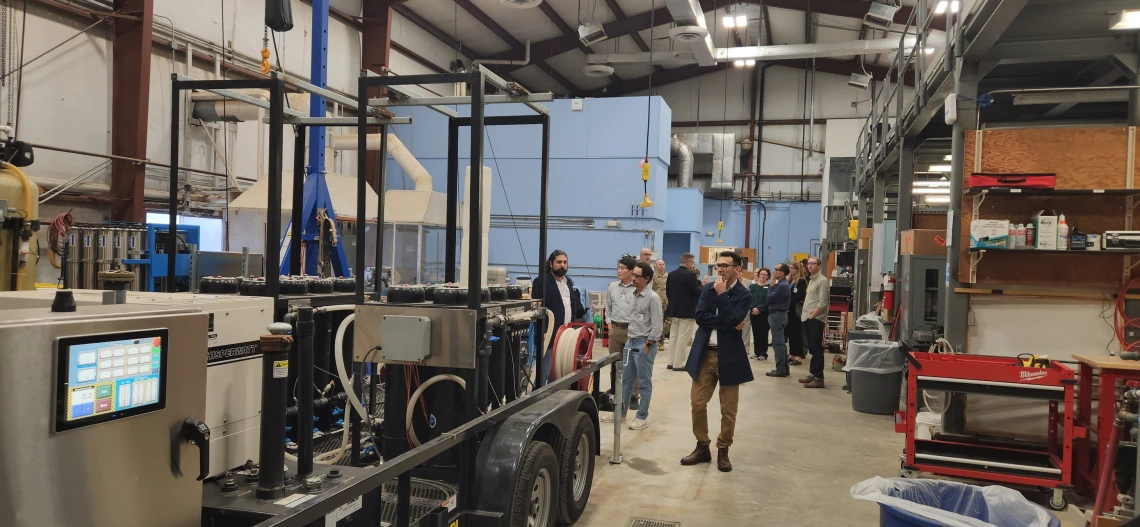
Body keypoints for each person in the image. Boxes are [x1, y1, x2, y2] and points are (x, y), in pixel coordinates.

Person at [680, 251, 754, 473]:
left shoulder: (743, 294)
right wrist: (729, 322)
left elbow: (735, 318)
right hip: (705, 354)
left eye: (725, 265)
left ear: (737, 268)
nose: (720, 269)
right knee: (697, 403)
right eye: (718, 265)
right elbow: (701, 316)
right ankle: (702, 446)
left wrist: (722, 298)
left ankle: (723, 449)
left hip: (729, 356)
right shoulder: (706, 289)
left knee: (728, 409)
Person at [601, 262, 663, 430]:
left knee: (643, 382)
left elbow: (657, 326)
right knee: (626, 381)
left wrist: (648, 344)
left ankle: (641, 417)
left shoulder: (653, 298)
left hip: (644, 343)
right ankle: (620, 414)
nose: (633, 278)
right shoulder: (634, 295)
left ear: (647, 279)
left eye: (637, 276)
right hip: (631, 341)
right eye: (633, 275)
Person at [536, 250, 585, 384]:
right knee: (544, 372)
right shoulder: (542, 281)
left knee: (557, 372)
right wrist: (544, 330)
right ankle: (538, 401)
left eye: (565, 262)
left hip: (565, 334)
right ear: (551, 263)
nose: (562, 265)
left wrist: (572, 327)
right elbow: (537, 309)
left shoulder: (567, 281)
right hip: (549, 335)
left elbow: (572, 305)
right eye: (559, 262)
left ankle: (553, 400)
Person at [606, 256, 639, 400]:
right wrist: (609, 327)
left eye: (623, 268)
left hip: (632, 331)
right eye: (619, 267)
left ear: (631, 271)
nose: (619, 270)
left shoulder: (638, 288)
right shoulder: (612, 287)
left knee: (633, 365)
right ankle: (616, 393)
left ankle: (632, 396)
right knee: (615, 364)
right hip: (615, 330)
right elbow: (608, 308)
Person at [665, 253, 702, 371]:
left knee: (674, 337)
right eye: (692, 263)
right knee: (683, 338)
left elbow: (668, 292)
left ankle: (670, 361)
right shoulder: (690, 275)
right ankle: (678, 363)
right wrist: (704, 286)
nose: (692, 265)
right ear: (689, 262)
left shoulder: (671, 274)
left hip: (674, 310)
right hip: (687, 311)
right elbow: (697, 292)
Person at [800, 256, 831, 389]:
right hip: (808, 318)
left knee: (817, 349)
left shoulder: (822, 281)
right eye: (808, 264)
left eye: (813, 264)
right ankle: (813, 374)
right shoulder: (812, 280)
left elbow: (823, 302)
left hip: (815, 319)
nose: (810, 266)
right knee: (812, 348)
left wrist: (812, 315)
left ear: (819, 266)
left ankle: (819, 378)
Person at [765, 264, 792, 378]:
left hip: (777, 315)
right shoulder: (783, 284)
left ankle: (780, 369)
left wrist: (771, 287)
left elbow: (769, 299)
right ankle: (784, 368)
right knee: (780, 342)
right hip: (779, 315)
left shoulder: (781, 285)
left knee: (778, 343)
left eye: (776, 270)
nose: (774, 271)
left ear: (783, 272)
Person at [786, 261, 808, 366]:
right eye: (790, 268)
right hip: (789, 310)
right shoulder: (790, 280)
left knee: (797, 333)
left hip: (795, 309)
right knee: (790, 332)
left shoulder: (801, 281)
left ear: (797, 269)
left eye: (793, 268)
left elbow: (799, 295)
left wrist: (788, 304)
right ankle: (792, 354)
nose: (791, 270)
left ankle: (798, 356)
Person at [748, 267, 771, 360]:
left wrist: (759, 309)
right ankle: (756, 352)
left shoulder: (770, 288)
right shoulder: (752, 287)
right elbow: (749, 299)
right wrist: (753, 308)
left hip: (764, 314)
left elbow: (768, 301)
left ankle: (763, 353)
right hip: (753, 313)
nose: (762, 276)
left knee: (763, 333)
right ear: (758, 275)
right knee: (755, 332)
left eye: (765, 274)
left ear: (768, 276)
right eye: (761, 274)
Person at [652, 259, 670, 341]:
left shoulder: (669, 276)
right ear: (656, 266)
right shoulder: (653, 277)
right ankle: (659, 341)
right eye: (660, 264)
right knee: (658, 321)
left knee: (670, 320)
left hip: (667, 301)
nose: (662, 266)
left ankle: (660, 337)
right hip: (657, 302)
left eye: (663, 264)